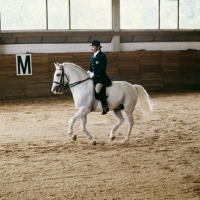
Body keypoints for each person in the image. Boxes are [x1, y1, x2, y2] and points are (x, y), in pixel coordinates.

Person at [87, 40, 110, 115]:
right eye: (92, 46)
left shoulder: (102, 56)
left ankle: (105, 106)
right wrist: (89, 72)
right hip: (94, 78)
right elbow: (91, 67)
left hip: (101, 78)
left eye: (93, 46)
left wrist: (94, 73)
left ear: (98, 47)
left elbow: (103, 68)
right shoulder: (92, 56)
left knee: (97, 89)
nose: (92, 48)